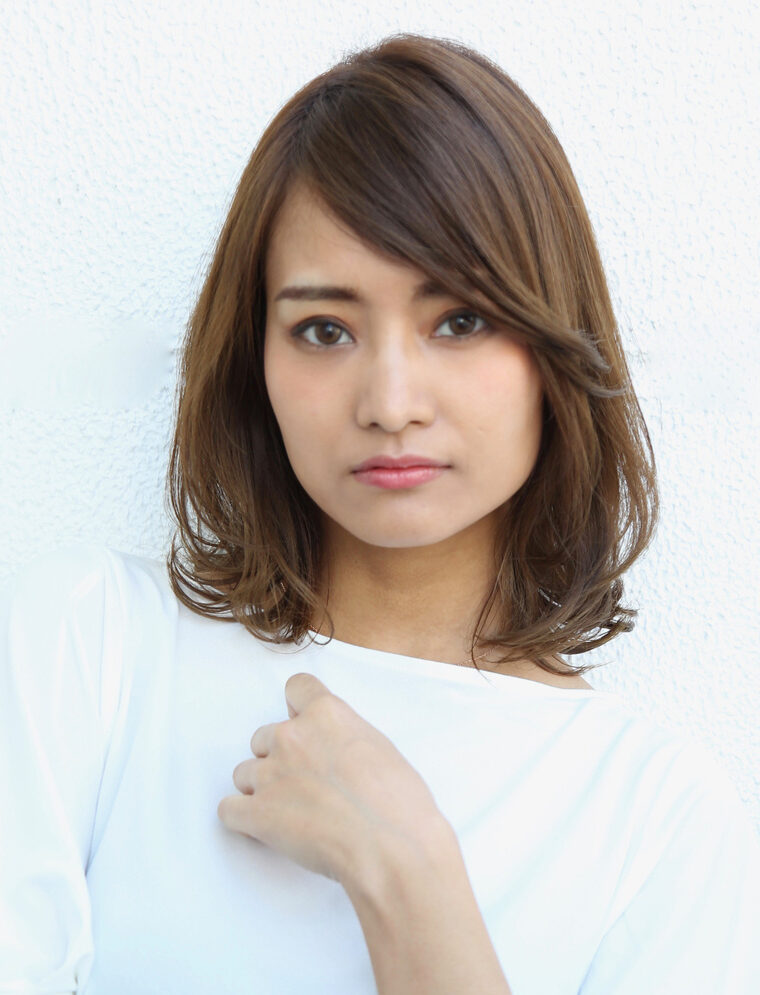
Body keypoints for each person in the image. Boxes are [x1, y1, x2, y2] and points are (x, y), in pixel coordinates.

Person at [1, 31, 758, 995]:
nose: (392, 402)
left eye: (461, 321)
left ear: (553, 347)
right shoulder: (87, 651)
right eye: (325, 329)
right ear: (256, 363)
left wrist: (409, 876)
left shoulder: (660, 820)